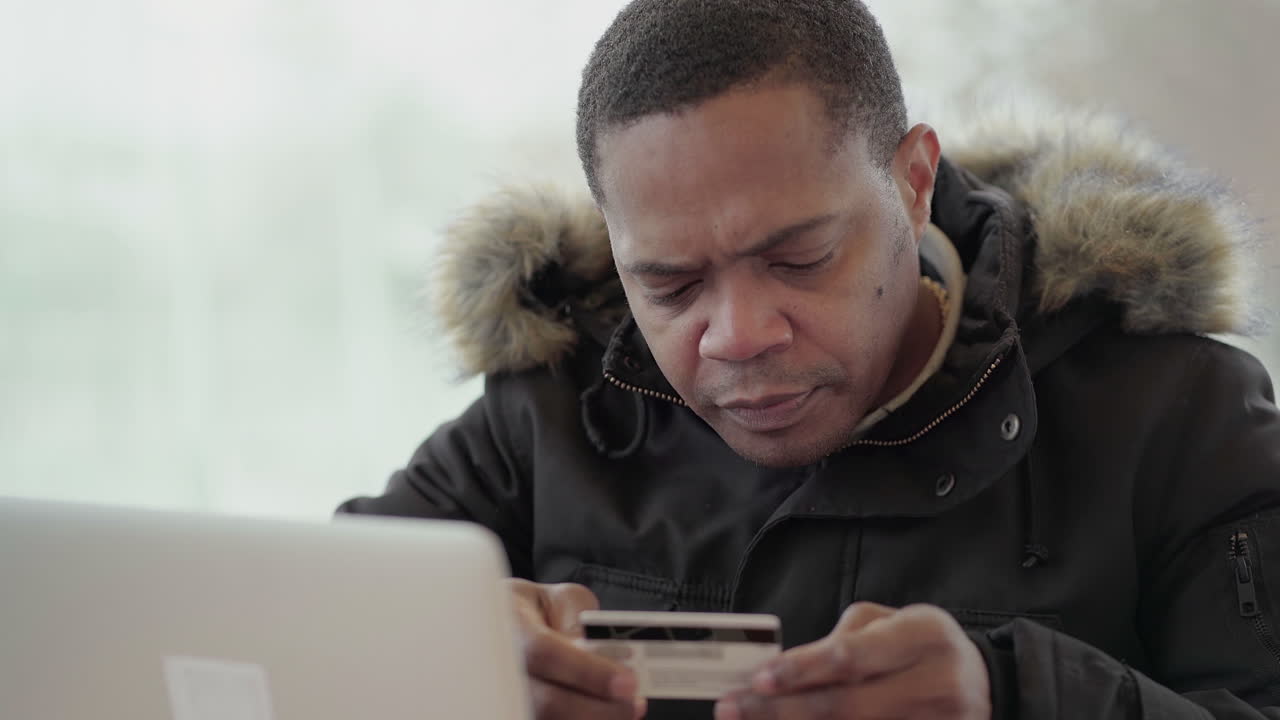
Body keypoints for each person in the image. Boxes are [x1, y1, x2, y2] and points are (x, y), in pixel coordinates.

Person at [338, 1, 1280, 718]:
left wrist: (1017, 693)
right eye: (668, 286)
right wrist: (445, 662)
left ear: (912, 184)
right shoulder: (547, 406)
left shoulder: (1182, 417)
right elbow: (293, 630)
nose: (738, 336)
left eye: (798, 259)